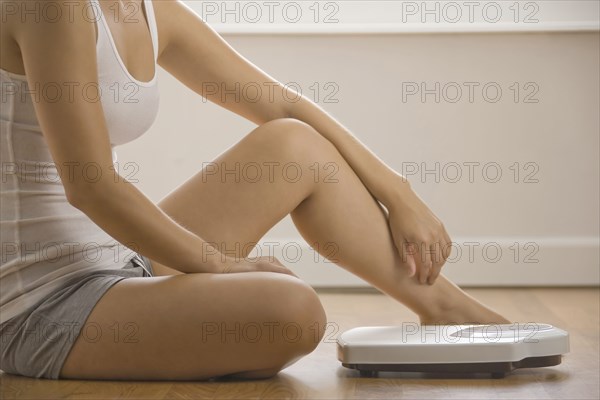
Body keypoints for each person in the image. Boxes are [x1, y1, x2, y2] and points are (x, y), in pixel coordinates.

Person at [0, 0, 510, 380]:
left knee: (294, 145)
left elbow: (284, 107)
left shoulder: (148, 10)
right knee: (292, 312)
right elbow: (92, 186)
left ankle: (444, 308)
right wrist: (220, 266)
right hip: (40, 307)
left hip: (117, 262)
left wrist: (398, 192)